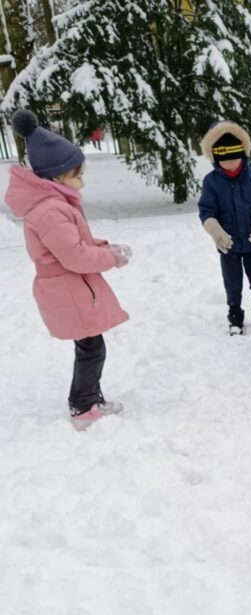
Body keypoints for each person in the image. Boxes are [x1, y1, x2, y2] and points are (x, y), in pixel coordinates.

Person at [4, 110, 131, 431]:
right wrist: (110, 259)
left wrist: (104, 247)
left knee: (90, 346)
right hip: (68, 289)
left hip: (72, 288)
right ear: (59, 177)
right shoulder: (50, 211)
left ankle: (90, 397)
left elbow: (77, 244)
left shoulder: (55, 205)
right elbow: (73, 255)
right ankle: (83, 405)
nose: (83, 182)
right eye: (78, 175)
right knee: (91, 349)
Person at [198, 121, 251, 335]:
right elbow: (206, 211)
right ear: (215, 158)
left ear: (243, 154)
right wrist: (215, 231)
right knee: (232, 283)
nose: (230, 164)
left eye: (235, 158)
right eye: (225, 160)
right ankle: (235, 315)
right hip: (228, 245)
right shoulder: (211, 182)